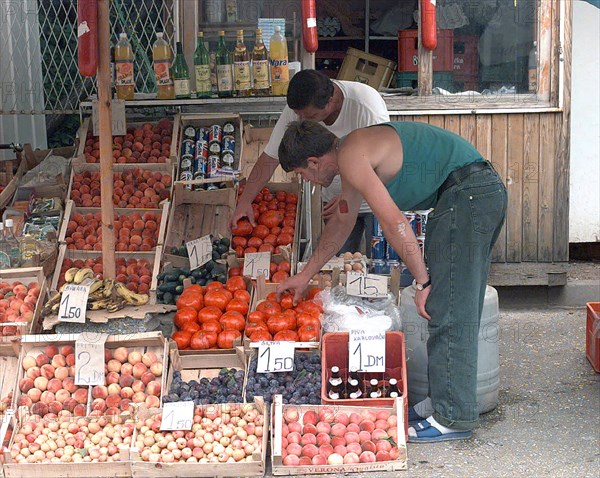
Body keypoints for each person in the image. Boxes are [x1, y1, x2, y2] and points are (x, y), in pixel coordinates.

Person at [276, 120, 507, 443]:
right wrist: (304, 274)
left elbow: (394, 221)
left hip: (468, 195)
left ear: (314, 162)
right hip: (468, 194)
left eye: (303, 174)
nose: (310, 182)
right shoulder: (351, 153)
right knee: (448, 305)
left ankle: (454, 417)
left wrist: (423, 281)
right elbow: (343, 221)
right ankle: (443, 403)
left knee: (451, 306)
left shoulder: (351, 157)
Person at [229, 69, 389, 254]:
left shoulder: (367, 107)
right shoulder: (301, 108)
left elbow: (384, 163)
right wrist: (245, 201)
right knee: (337, 263)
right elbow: (270, 157)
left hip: (375, 200)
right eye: (300, 116)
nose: (303, 120)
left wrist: (351, 195)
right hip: (333, 203)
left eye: (311, 117)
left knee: (380, 263)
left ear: (330, 102)